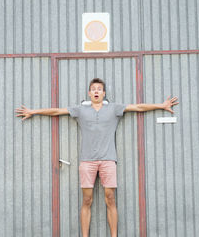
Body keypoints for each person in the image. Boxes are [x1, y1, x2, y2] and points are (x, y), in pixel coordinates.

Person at [15, 78, 179, 237]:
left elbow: (138, 107)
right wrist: (33, 111)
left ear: (103, 93)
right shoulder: (80, 110)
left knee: (110, 198)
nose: (96, 91)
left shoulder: (114, 109)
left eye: (99, 89)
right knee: (87, 200)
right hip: (87, 161)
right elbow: (56, 111)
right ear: (89, 93)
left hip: (108, 160)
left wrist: (162, 105)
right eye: (93, 89)